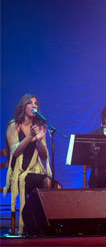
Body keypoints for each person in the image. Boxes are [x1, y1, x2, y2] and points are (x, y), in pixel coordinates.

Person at [3, 94, 61, 235]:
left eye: (36, 103)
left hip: (34, 172)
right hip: (18, 174)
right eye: (30, 103)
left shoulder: (39, 127)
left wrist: (40, 140)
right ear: (23, 106)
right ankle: (38, 224)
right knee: (47, 182)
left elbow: (44, 155)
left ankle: (45, 224)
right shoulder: (14, 125)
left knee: (57, 186)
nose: (34, 106)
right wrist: (30, 136)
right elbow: (15, 152)